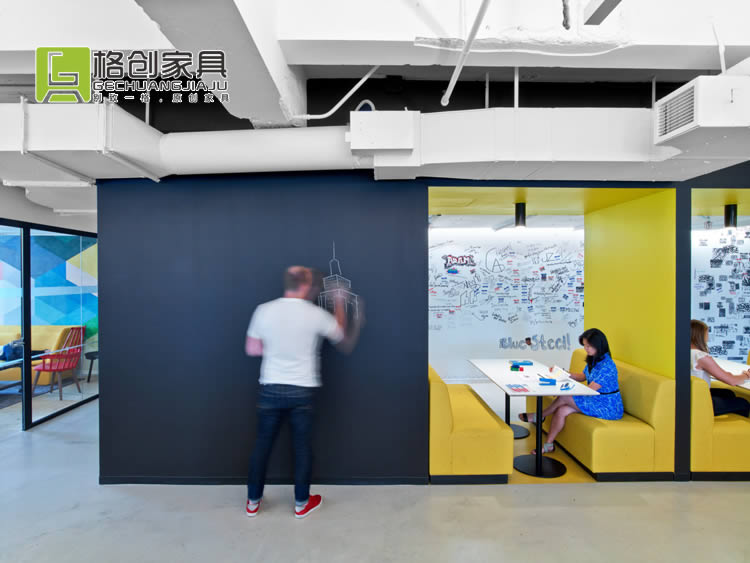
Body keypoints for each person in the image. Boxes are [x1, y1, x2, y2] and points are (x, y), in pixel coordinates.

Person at [244, 265, 362, 519]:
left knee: (262, 446)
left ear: (286, 283)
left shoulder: (263, 310)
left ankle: (253, 502)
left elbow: (252, 349)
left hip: (270, 386)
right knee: (301, 448)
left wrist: (277, 349)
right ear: (307, 286)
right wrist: (339, 302)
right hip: (302, 390)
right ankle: (301, 503)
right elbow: (341, 336)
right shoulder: (315, 314)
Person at [518, 328, 623, 454]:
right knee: (562, 410)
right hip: (595, 399)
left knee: (564, 397)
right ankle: (548, 445)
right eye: (584, 345)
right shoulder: (595, 359)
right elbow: (583, 376)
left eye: (588, 346)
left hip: (607, 406)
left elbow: (590, 390)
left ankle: (539, 416)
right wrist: (564, 373)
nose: (586, 349)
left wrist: (564, 390)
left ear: (598, 345)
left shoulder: (607, 366)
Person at [690, 319, 750, 417]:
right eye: (707, 333)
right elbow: (732, 381)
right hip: (699, 402)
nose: (708, 337)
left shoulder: (682, 352)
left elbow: (724, 376)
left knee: (728, 393)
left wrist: (729, 375)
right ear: (700, 336)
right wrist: (746, 375)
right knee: (743, 403)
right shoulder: (700, 356)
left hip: (688, 396)